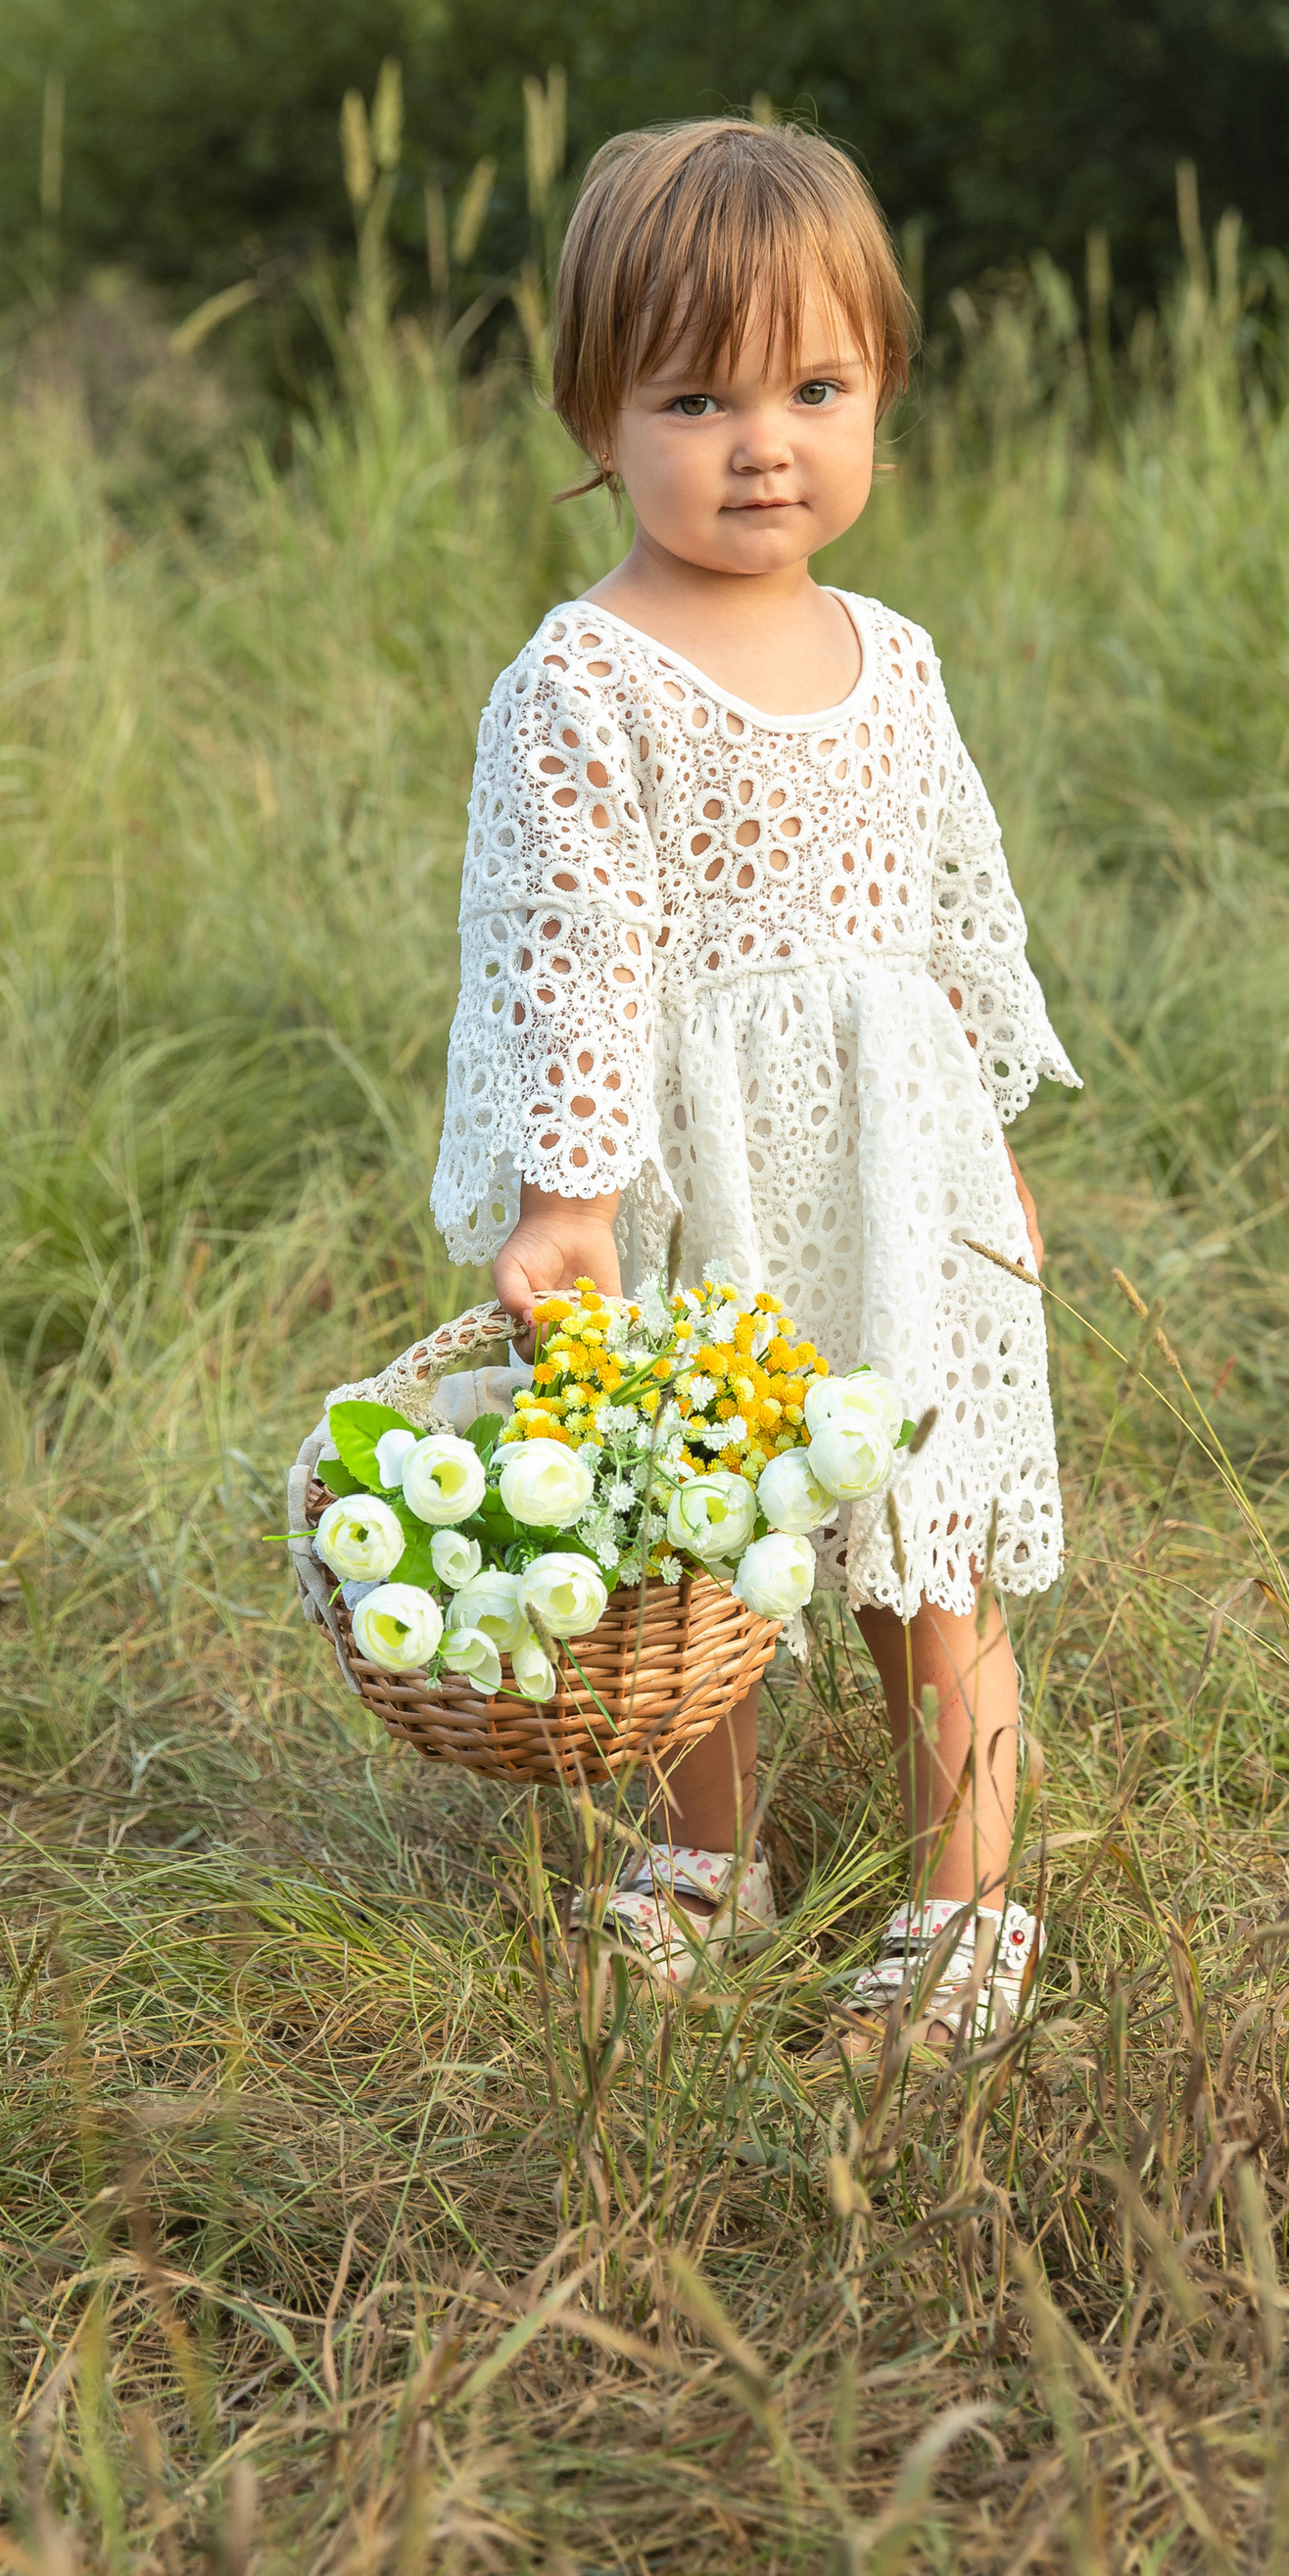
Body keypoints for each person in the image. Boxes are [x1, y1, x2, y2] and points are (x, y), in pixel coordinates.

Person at [431, 118, 1079, 2055]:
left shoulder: (892, 657)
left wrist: (986, 1160)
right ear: (597, 414)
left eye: (814, 385)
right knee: (699, 1547)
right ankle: (701, 1865)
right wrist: (569, 1196)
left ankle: (967, 1909)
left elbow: (955, 917)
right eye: (694, 394)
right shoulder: (583, 674)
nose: (761, 439)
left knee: (926, 1551)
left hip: (889, 1174)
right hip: (698, 1168)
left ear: (879, 393)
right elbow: (568, 947)